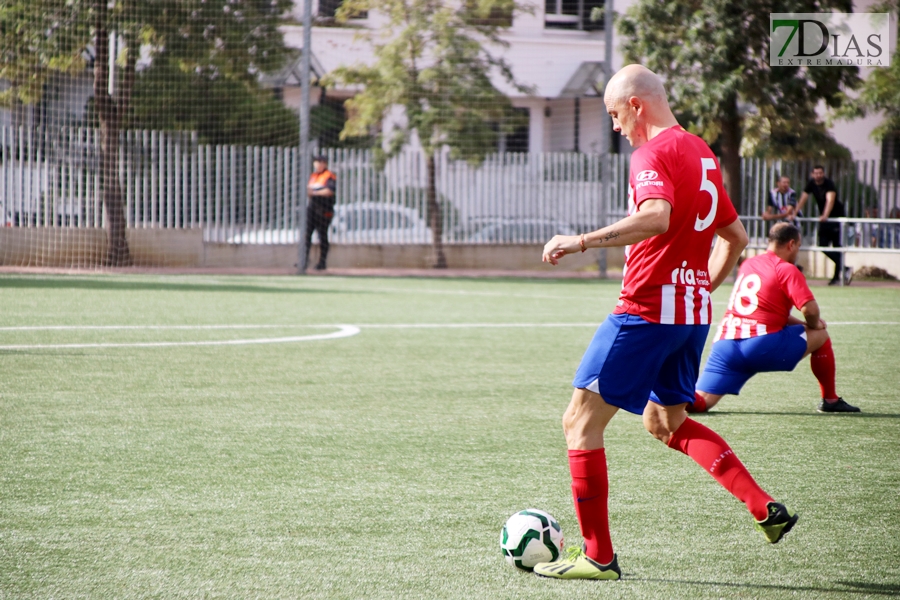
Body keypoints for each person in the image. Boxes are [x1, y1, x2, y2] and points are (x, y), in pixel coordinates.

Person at [533, 64, 797, 581]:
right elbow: (737, 238)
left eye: (614, 114)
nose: (615, 128)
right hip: (690, 316)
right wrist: (699, 287)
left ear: (636, 104)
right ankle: (763, 506)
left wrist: (579, 241)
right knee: (667, 422)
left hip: (646, 310)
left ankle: (597, 556)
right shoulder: (701, 152)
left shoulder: (651, 152)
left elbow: (655, 216)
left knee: (579, 423)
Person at [686, 223, 860, 415]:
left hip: (725, 345)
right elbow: (810, 310)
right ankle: (830, 400)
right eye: (799, 247)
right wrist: (813, 325)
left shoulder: (749, 264)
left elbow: (767, 311)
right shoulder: (786, 269)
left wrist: (801, 325)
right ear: (791, 244)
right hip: (760, 345)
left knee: (701, 402)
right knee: (821, 336)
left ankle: (666, 392)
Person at [795, 166, 852, 286]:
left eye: (820, 173)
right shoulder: (811, 184)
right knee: (823, 245)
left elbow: (830, 200)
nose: (818, 175)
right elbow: (803, 198)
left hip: (836, 218)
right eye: (816, 173)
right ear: (812, 174)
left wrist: (825, 215)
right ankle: (845, 268)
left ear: (823, 173)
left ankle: (837, 277)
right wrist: (794, 213)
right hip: (825, 220)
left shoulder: (829, 183)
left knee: (837, 247)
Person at [304, 155, 337, 271]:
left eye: (319, 162)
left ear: (324, 163)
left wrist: (315, 193)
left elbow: (330, 191)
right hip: (312, 208)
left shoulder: (329, 176)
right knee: (306, 235)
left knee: (322, 235)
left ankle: (322, 263)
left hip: (324, 210)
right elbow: (308, 191)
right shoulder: (313, 176)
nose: (317, 164)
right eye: (316, 162)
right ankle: (304, 261)